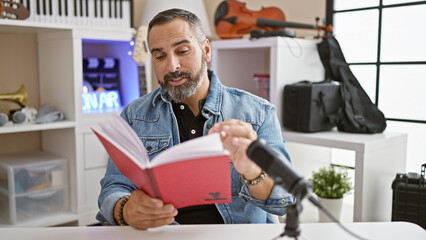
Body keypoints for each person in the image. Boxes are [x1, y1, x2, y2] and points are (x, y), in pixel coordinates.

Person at [96, 8, 293, 230]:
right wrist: (125, 209)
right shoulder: (134, 115)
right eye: (160, 56)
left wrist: (252, 171)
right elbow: (112, 188)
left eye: (182, 51)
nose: (172, 66)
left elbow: (284, 200)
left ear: (206, 50)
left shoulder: (258, 113)